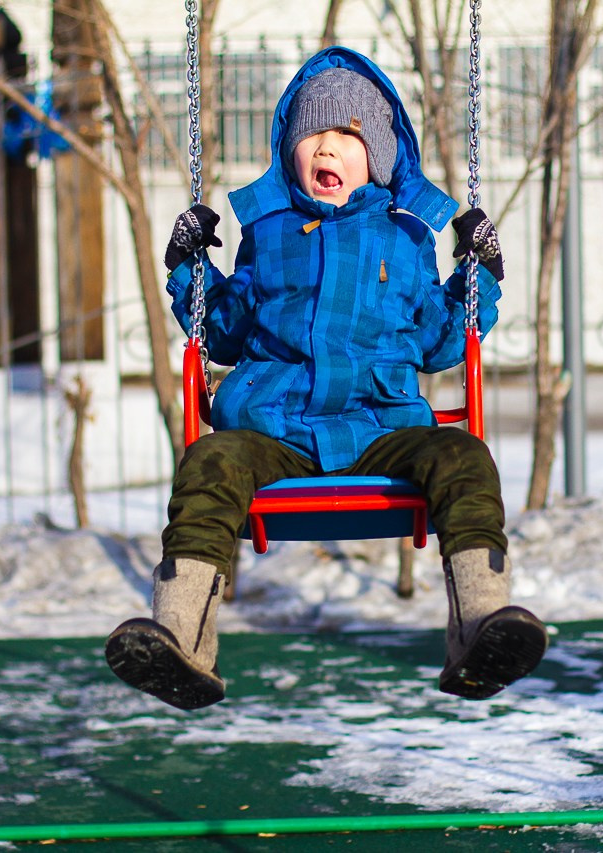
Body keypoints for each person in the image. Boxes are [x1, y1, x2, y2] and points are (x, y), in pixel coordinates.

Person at [105, 47, 547, 710]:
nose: (328, 148)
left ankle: (482, 624)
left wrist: (478, 272)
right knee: (209, 459)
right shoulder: (268, 233)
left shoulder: (404, 238)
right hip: (273, 426)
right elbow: (221, 330)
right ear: (290, 151)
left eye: (347, 136)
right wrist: (188, 265)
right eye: (313, 135)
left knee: (462, 455)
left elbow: (438, 341)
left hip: (381, 424)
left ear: (380, 156)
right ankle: (180, 636)